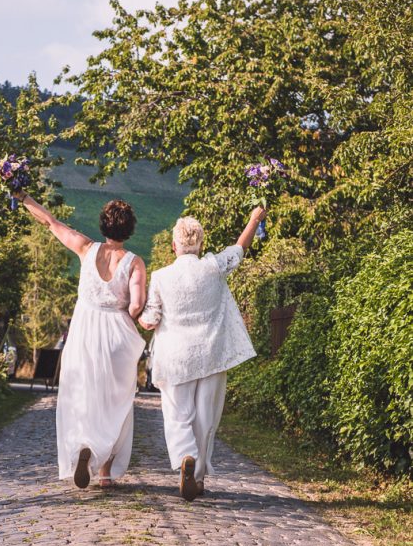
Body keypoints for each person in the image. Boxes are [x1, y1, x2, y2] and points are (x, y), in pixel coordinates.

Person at [14, 191, 146, 487]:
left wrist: (23, 197)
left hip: (84, 333)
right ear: (130, 229)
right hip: (117, 336)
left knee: (84, 394)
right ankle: (105, 473)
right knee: (116, 401)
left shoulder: (86, 248)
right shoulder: (135, 262)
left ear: (103, 226)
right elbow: (136, 306)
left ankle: (85, 446)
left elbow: (51, 223)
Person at [139, 208, 265, 501]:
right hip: (210, 355)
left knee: (177, 415)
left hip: (175, 357)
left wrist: (140, 319)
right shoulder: (213, 266)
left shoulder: (160, 276)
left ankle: (185, 455)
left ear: (174, 246)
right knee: (206, 419)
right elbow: (240, 248)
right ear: (201, 244)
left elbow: (151, 318)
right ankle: (196, 479)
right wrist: (254, 219)